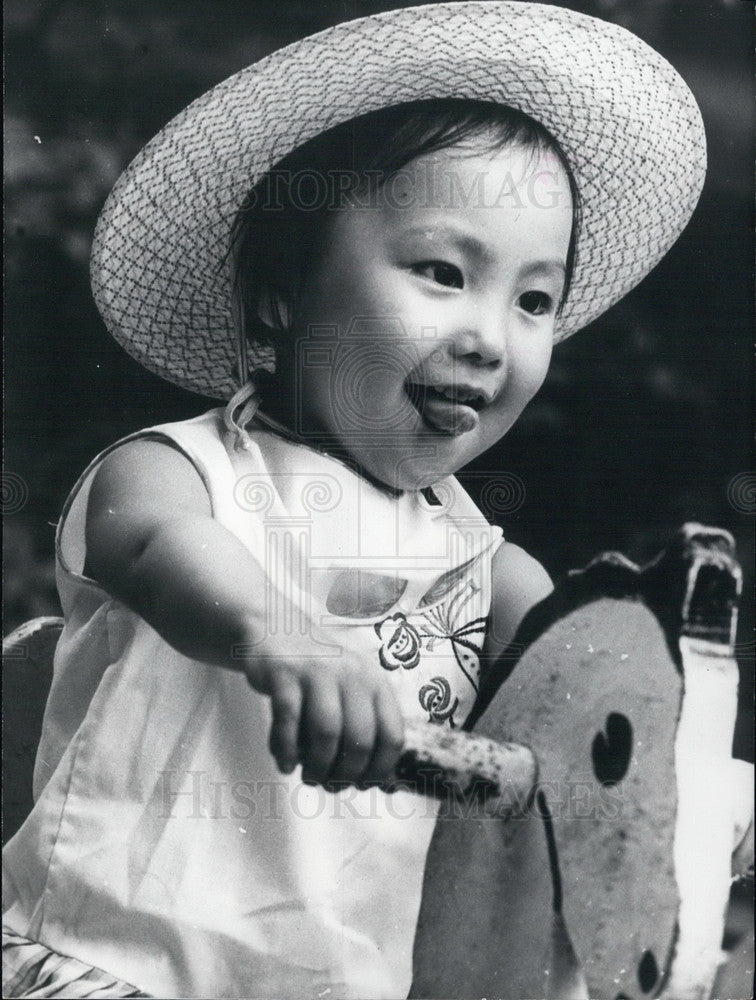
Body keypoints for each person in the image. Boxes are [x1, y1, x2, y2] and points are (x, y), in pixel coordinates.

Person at [2, 3, 706, 997]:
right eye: (443, 272)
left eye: (534, 299)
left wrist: (692, 801)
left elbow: (592, 733)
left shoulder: (497, 579)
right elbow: (166, 553)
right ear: (281, 296)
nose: (491, 336)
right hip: (122, 966)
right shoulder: (175, 475)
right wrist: (285, 639)